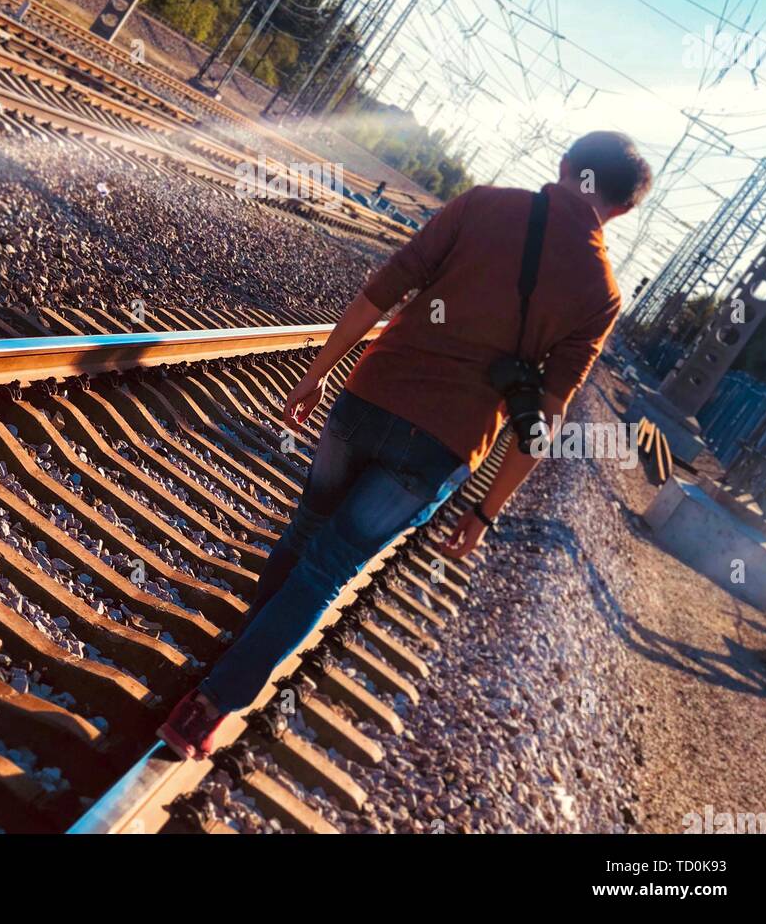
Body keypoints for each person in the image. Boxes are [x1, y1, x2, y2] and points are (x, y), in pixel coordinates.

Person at [158, 130, 653, 759]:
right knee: (326, 570)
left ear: (566, 165)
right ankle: (210, 705)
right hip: (440, 445)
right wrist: (484, 511)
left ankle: (234, 659)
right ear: (622, 209)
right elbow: (543, 419)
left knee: (306, 530)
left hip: (368, 398)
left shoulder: (482, 204)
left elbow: (384, 288)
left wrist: (319, 371)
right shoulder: (600, 292)